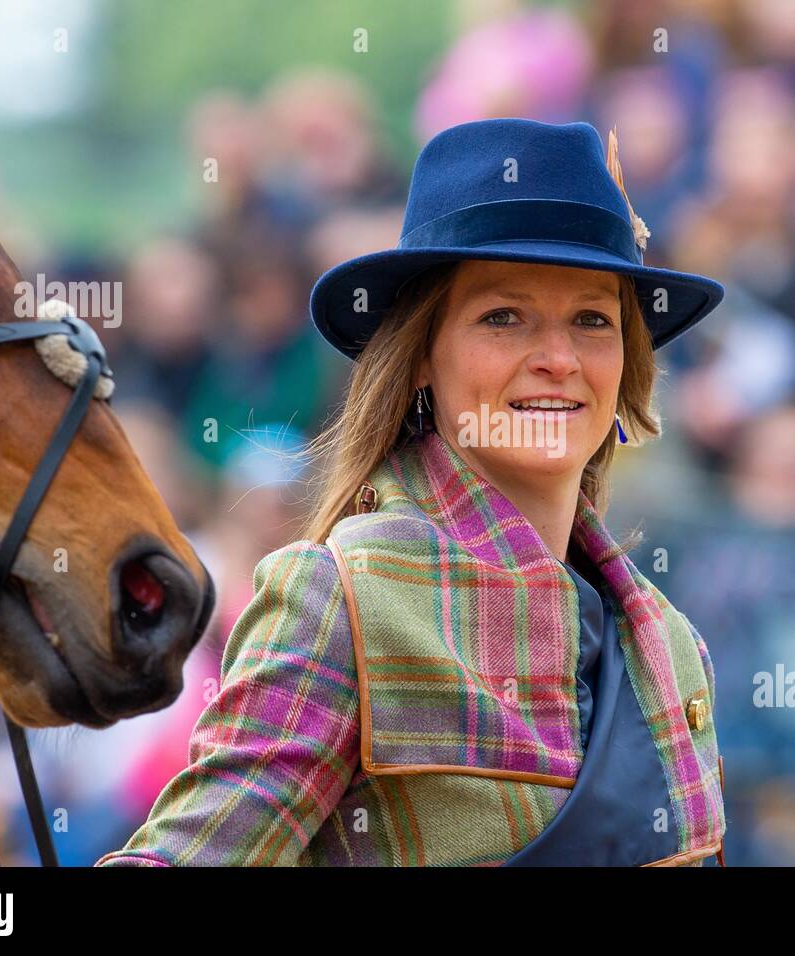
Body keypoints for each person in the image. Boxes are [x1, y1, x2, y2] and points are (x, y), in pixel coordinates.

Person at [96, 117, 727, 867]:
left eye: (593, 319)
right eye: (504, 317)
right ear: (422, 355)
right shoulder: (336, 600)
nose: (558, 357)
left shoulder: (673, 646)